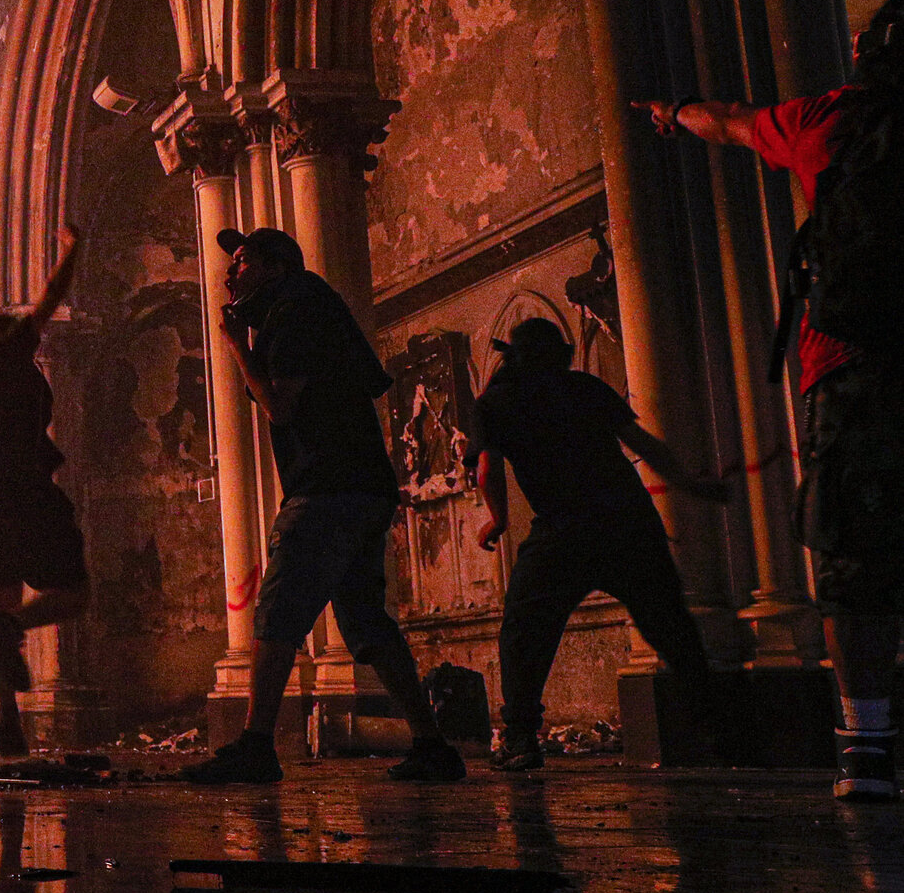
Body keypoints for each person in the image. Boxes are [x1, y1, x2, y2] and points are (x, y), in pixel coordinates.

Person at [642, 0, 904, 798]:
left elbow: (729, 120)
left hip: (850, 368)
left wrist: (674, 111)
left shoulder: (832, 119)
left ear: (865, 50)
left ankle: (865, 748)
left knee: (851, 555)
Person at [183, 226, 462, 785]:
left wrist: (236, 346)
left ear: (275, 266)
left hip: (328, 487)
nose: (230, 272)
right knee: (364, 618)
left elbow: (280, 407)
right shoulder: (307, 306)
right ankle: (433, 744)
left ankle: (257, 745)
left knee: (278, 610)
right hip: (361, 486)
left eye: (241, 261)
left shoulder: (295, 309)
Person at [469, 317, 730, 770]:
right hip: (626, 520)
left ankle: (520, 737)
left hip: (562, 531)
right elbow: (643, 444)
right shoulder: (585, 388)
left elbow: (488, 470)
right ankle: (716, 727)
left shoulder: (498, 401)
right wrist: (688, 483)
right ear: (563, 356)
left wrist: (499, 520)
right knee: (669, 623)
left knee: (525, 630)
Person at [0, 229, 90, 757]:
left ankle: (9, 720)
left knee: (0, 594)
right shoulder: (10, 360)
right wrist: (72, 250)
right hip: (30, 494)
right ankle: (13, 624)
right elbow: (50, 296)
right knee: (73, 594)